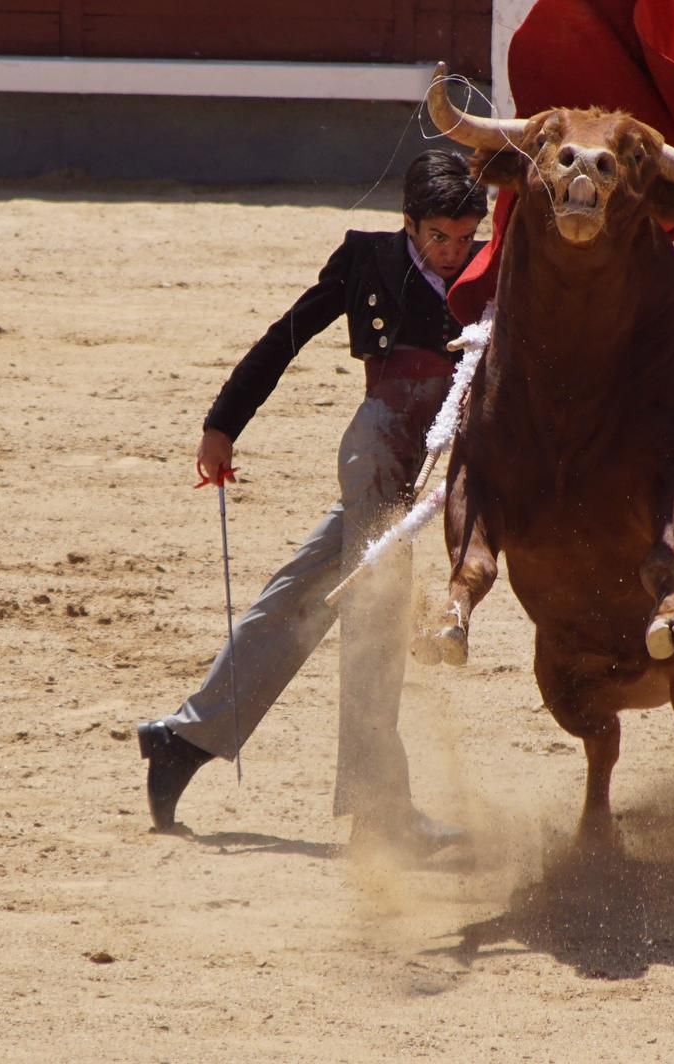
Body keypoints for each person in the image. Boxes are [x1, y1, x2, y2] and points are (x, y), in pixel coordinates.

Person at [136, 149, 488, 856]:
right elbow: (287, 336)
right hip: (381, 447)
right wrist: (223, 425)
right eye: (438, 238)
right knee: (376, 618)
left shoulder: (492, 268)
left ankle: (187, 738)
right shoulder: (367, 260)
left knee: (305, 594)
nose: (452, 253)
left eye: (464, 237)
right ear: (409, 224)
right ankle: (380, 811)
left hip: (442, 458)